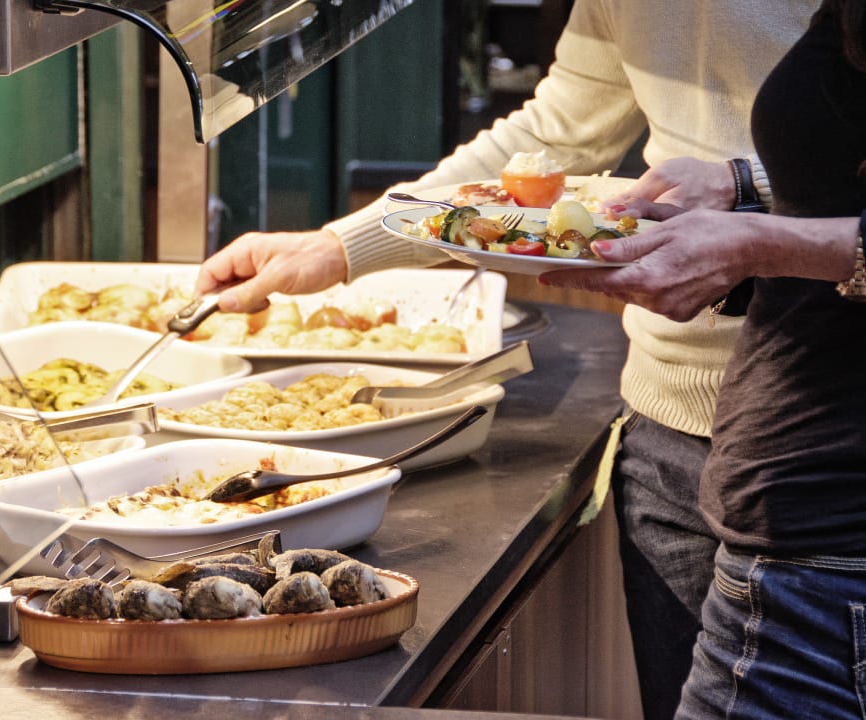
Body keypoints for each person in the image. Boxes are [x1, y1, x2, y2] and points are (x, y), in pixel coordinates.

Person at [196, 3, 816, 718]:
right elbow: (554, 136)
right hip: (664, 420)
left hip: (821, 426)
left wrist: (746, 188)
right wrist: (338, 246)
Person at [540, 2, 866, 715]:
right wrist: (746, 185)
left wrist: (754, 240)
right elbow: (838, 155)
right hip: (761, 488)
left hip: (829, 524)